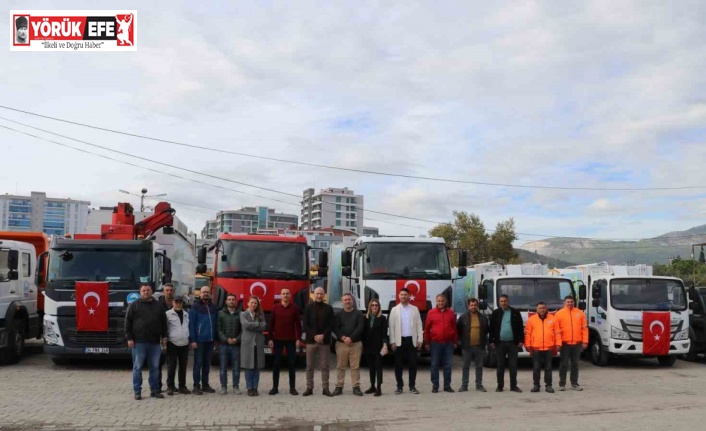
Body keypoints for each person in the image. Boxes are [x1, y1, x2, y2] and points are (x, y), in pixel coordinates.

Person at [125, 283, 167, 400]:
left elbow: (164, 323)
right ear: (140, 292)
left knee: (154, 367)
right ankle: (137, 391)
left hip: (154, 343)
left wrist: (164, 337)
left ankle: (154, 390)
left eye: (148, 290)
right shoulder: (134, 306)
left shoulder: (158, 306)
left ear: (151, 291)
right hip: (139, 343)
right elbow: (127, 323)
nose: (146, 292)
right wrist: (129, 338)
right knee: (137, 367)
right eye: (143, 291)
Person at [388, 288, 424, 394]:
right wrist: (392, 341)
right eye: (401, 294)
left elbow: (419, 325)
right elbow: (391, 326)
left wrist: (420, 340)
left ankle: (412, 386)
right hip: (399, 341)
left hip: (411, 340)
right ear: (399, 296)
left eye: (405, 294)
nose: (403, 296)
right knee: (398, 365)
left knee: (413, 364)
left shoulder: (414, 309)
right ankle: (399, 386)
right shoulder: (394, 310)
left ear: (409, 296)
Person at [268, 288, 302, 396]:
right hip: (277, 340)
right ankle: (275, 388)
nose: (285, 295)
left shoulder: (295, 308)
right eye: (283, 294)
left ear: (290, 295)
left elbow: (298, 325)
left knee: (292, 364)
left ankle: (292, 388)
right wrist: (270, 338)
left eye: (287, 293)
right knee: (276, 363)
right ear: (280, 296)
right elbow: (271, 324)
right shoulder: (275, 308)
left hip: (291, 340)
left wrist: (298, 338)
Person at [302, 287, 335, 397]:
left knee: (325, 366)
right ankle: (309, 388)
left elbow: (331, 324)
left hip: (324, 341)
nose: (319, 296)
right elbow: (305, 325)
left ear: (324, 295)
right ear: (314, 295)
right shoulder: (308, 308)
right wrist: (314, 336)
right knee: (309, 365)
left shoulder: (329, 308)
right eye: (317, 294)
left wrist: (323, 335)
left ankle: (325, 388)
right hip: (311, 341)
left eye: (321, 294)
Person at [489, 294, 524, 393]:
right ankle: (500, 386)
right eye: (501, 301)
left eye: (505, 301)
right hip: (500, 343)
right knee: (500, 366)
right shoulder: (495, 313)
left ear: (508, 301)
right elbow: (491, 328)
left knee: (513, 365)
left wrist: (521, 340)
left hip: (513, 343)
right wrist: (491, 340)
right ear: (499, 302)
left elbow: (520, 327)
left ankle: (514, 386)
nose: (503, 303)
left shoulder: (515, 312)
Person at [332, 293, 365, 396]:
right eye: (345, 300)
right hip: (341, 344)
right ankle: (339, 387)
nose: (347, 301)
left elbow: (360, 328)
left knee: (355, 367)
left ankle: (356, 387)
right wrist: (343, 337)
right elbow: (335, 328)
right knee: (340, 367)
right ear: (342, 302)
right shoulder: (338, 315)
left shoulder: (359, 314)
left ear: (352, 301)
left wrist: (351, 338)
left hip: (355, 344)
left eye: (349, 300)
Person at [525, 302, 561, 393]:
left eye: (543, 308)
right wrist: (528, 345)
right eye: (540, 308)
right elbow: (528, 333)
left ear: (546, 309)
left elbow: (557, 333)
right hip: (536, 348)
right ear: (537, 310)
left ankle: (548, 386)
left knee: (548, 368)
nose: (542, 310)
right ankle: (536, 385)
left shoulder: (553, 319)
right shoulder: (531, 319)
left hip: (549, 347)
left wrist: (558, 344)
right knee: (536, 367)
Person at [424, 294, 457, 393]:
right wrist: (427, 343)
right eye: (438, 301)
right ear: (436, 301)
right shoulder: (431, 313)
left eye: (442, 301)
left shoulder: (451, 313)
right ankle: (435, 385)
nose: (440, 303)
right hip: (435, 343)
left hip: (448, 343)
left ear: (446, 301)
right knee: (434, 365)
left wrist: (455, 341)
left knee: (447, 365)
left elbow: (454, 328)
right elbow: (426, 329)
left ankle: (447, 386)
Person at [189, 286, 218, 395]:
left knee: (207, 363)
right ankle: (196, 385)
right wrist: (193, 340)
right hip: (199, 340)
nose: (205, 294)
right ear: (200, 294)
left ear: (210, 294)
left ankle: (205, 384)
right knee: (198, 363)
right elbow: (191, 324)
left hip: (210, 341)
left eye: (207, 292)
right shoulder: (195, 307)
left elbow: (215, 324)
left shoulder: (214, 307)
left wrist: (215, 339)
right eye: (203, 292)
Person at [555, 295, 588, 391]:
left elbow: (584, 329)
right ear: (564, 303)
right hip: (565, 343)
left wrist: (585, 341)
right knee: (564, 364)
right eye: (568, 302)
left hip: (577, 343)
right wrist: (558, 343)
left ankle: (574, 383)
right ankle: (562, 384)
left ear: (574, 302)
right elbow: (556, 331)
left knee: (575, 364)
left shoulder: (580, 313)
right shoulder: (559, 314)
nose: (570, 303)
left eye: (571, 302)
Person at [457, 298, 488, 392]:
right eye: (471, 305)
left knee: (479, 366)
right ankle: (464, 385)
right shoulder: (463, 317)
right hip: (467, 346)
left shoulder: (483, 317)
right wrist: (461, 342)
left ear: (477, 305)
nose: (473, 307)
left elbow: (486, 330)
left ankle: (479, 385)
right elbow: (458, 330)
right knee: (466, 366)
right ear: (468, 306)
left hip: (479, 346)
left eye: (475, 305)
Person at [241, 296, 267, 396]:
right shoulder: (243, 314)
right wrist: (257, 324)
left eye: (255, 303)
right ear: (248, 303)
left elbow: (264, 326)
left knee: (257, 367)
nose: (253, 305)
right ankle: (249, 388)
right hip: (248, 344)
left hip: (258, 344)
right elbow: (245, 325)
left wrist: (252, 324)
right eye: (252, 302)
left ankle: (255, 388)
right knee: (248, 367)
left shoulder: (260, 314)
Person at [217, 293, 242, 395]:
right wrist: (226, 339)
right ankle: (223, 387)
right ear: (226, 301)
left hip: (236, 345)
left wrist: (237, 339)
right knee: (223, 367)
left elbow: (242, 330)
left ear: (235, 301)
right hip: (224, 344)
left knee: (236, 367)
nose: (231, 301)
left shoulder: (240, 314)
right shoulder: (221, 313)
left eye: (233, 299)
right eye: (229, 299)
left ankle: (236, 386)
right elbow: (218, 329)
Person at [165, 295, 190, 396]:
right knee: (172, 366)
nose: (178, 304)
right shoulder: (167, 314)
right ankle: (170, 386)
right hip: (172, 343)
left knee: (183, 366)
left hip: (184, 343)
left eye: (180, 302)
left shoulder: (186, 314)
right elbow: (164, 328)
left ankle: (182, 386)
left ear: (183, 303)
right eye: (176, 302)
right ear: (172, 303)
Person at [363, 299, 388, 396]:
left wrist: (385, 345)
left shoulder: (382, 318)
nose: (374, 307)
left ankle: (379, 388)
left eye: (376, 305)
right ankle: (372, 386)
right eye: (372, 305)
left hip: (378, 347)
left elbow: (384, 333)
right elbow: (363, 332)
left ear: (379, 307)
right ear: (370, 307)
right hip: (368, 347)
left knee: (378, 367)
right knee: (371, 367)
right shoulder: (365, 318)